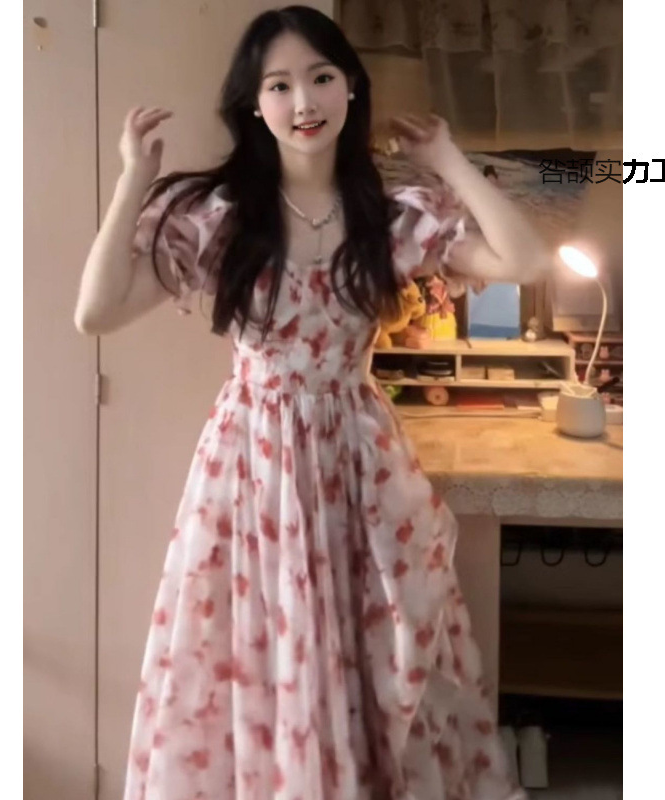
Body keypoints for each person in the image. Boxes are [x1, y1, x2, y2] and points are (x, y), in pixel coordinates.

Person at [75, 6, 550, 799]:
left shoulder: (388, 218)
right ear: (254, 104)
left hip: (360, 464)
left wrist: (448, 159)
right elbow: (96, 312)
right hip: (252, 467)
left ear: (350, 88)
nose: (304, 102)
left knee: (375, 653)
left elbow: (525, 261)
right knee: (256, 651)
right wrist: (131, 180)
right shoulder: (224, 219)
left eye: (321, 78)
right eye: (279, 85)